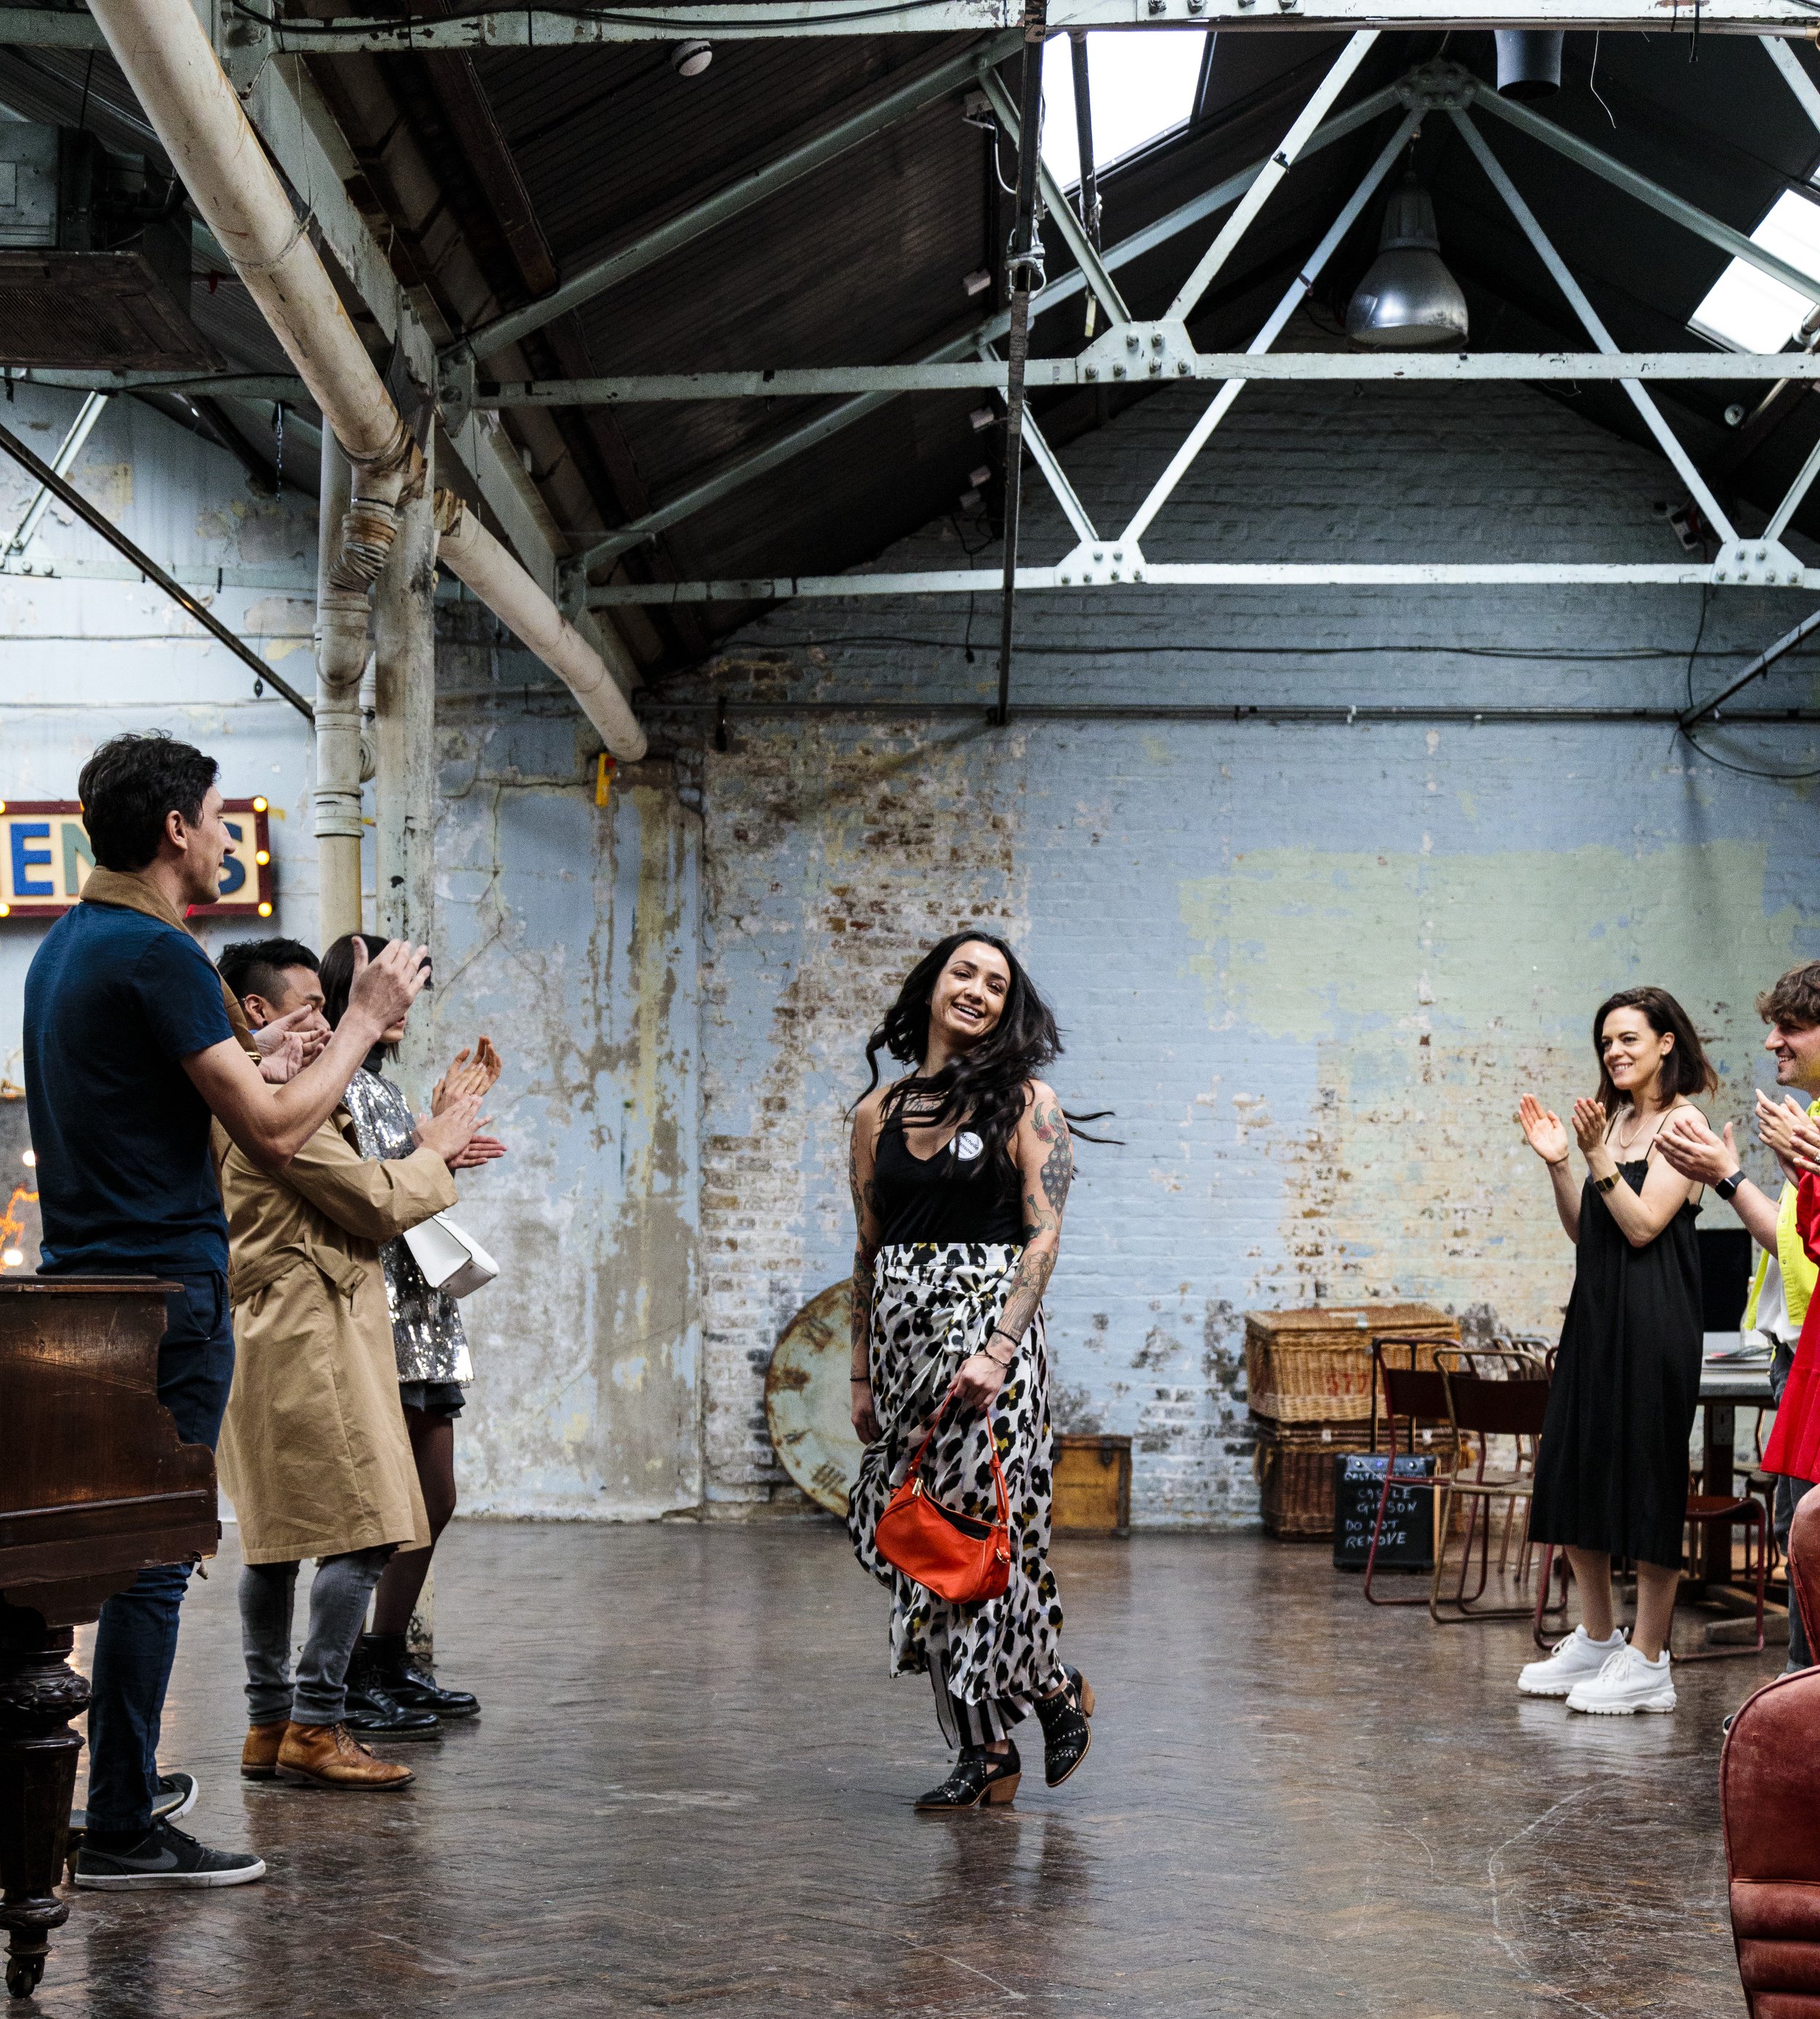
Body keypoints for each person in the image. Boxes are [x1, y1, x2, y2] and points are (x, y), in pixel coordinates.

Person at [23, 734, 428, 1889]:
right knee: (153, 1562)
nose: (224, 831)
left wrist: (258, 1047)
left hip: (92, 1289)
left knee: (123, 1555)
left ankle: (114, 1785)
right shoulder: (159, 952)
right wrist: (357, 1018)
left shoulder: (70, 947)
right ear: (176, 833)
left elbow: (161, 1088)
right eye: (215, 813)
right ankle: (119, 1829)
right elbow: (279, 1131)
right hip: (169, 1294)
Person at [217, 937, 486, 1788]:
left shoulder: (236, 1091)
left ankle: (269, 1724)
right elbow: (372, 1200)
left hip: (264, 1329)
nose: (329, 1023)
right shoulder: (281, 1107)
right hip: (312, 1334)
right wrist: (437, 1147)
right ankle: (315, 1722)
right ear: (258, 1011)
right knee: (368, 1528)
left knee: (273, 1541)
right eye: (315, 1004)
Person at [844, 930, 1095, 1811]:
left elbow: (1045, 1233)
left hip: (992, 1356)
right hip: (905, 1353)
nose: (977, 991)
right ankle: (1015, 1718)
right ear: (930, 987)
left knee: (989, 1544)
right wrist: (860, 1374)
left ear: (1004, 1008)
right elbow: (869, 1250)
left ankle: (1011, 1723)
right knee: (918, 1540)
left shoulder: (1028, 1102)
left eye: (996, 983)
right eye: (963, 972)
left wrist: (997, 1348)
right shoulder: (876, 1114)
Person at [314, 933, 506, 1730]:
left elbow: (403, 1180)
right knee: (371, 1504)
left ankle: (386, 1654)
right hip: (368, 1312)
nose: (403, 999)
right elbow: (360, 1193)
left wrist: (444, 1144)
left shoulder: (381, 1090)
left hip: (420, 1309)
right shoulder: (322, 1079)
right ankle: (342, 1675)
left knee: (434, 1493)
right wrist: (435, 1143)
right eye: (385, 979)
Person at [1514, 987, 1715, 1716]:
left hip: (1654, 1325)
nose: (1614, 1052)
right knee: (1573, 1469)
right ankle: (1599, 1637)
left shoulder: (1682, 1124)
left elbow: (1639, 1225)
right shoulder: (1619, 1120)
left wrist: (1597, 1153)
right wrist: (1560, 1165)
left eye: (1629, 1038)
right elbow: (1587, 1231)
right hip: (1594, 1321)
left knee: (1648, 1478)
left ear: (1667, 1043)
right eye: (1605, 1042)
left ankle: (1649, 1658)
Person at [1657, 960, 1820, 1670]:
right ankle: (1794, 1704)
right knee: (1798, 1535)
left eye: (1790, 1027)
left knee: (1808, 1537)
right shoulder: (1809, 1121)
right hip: (1799, 1357)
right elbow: (1792, 1238)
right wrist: (1724, 1177)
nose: (1771, 1042)